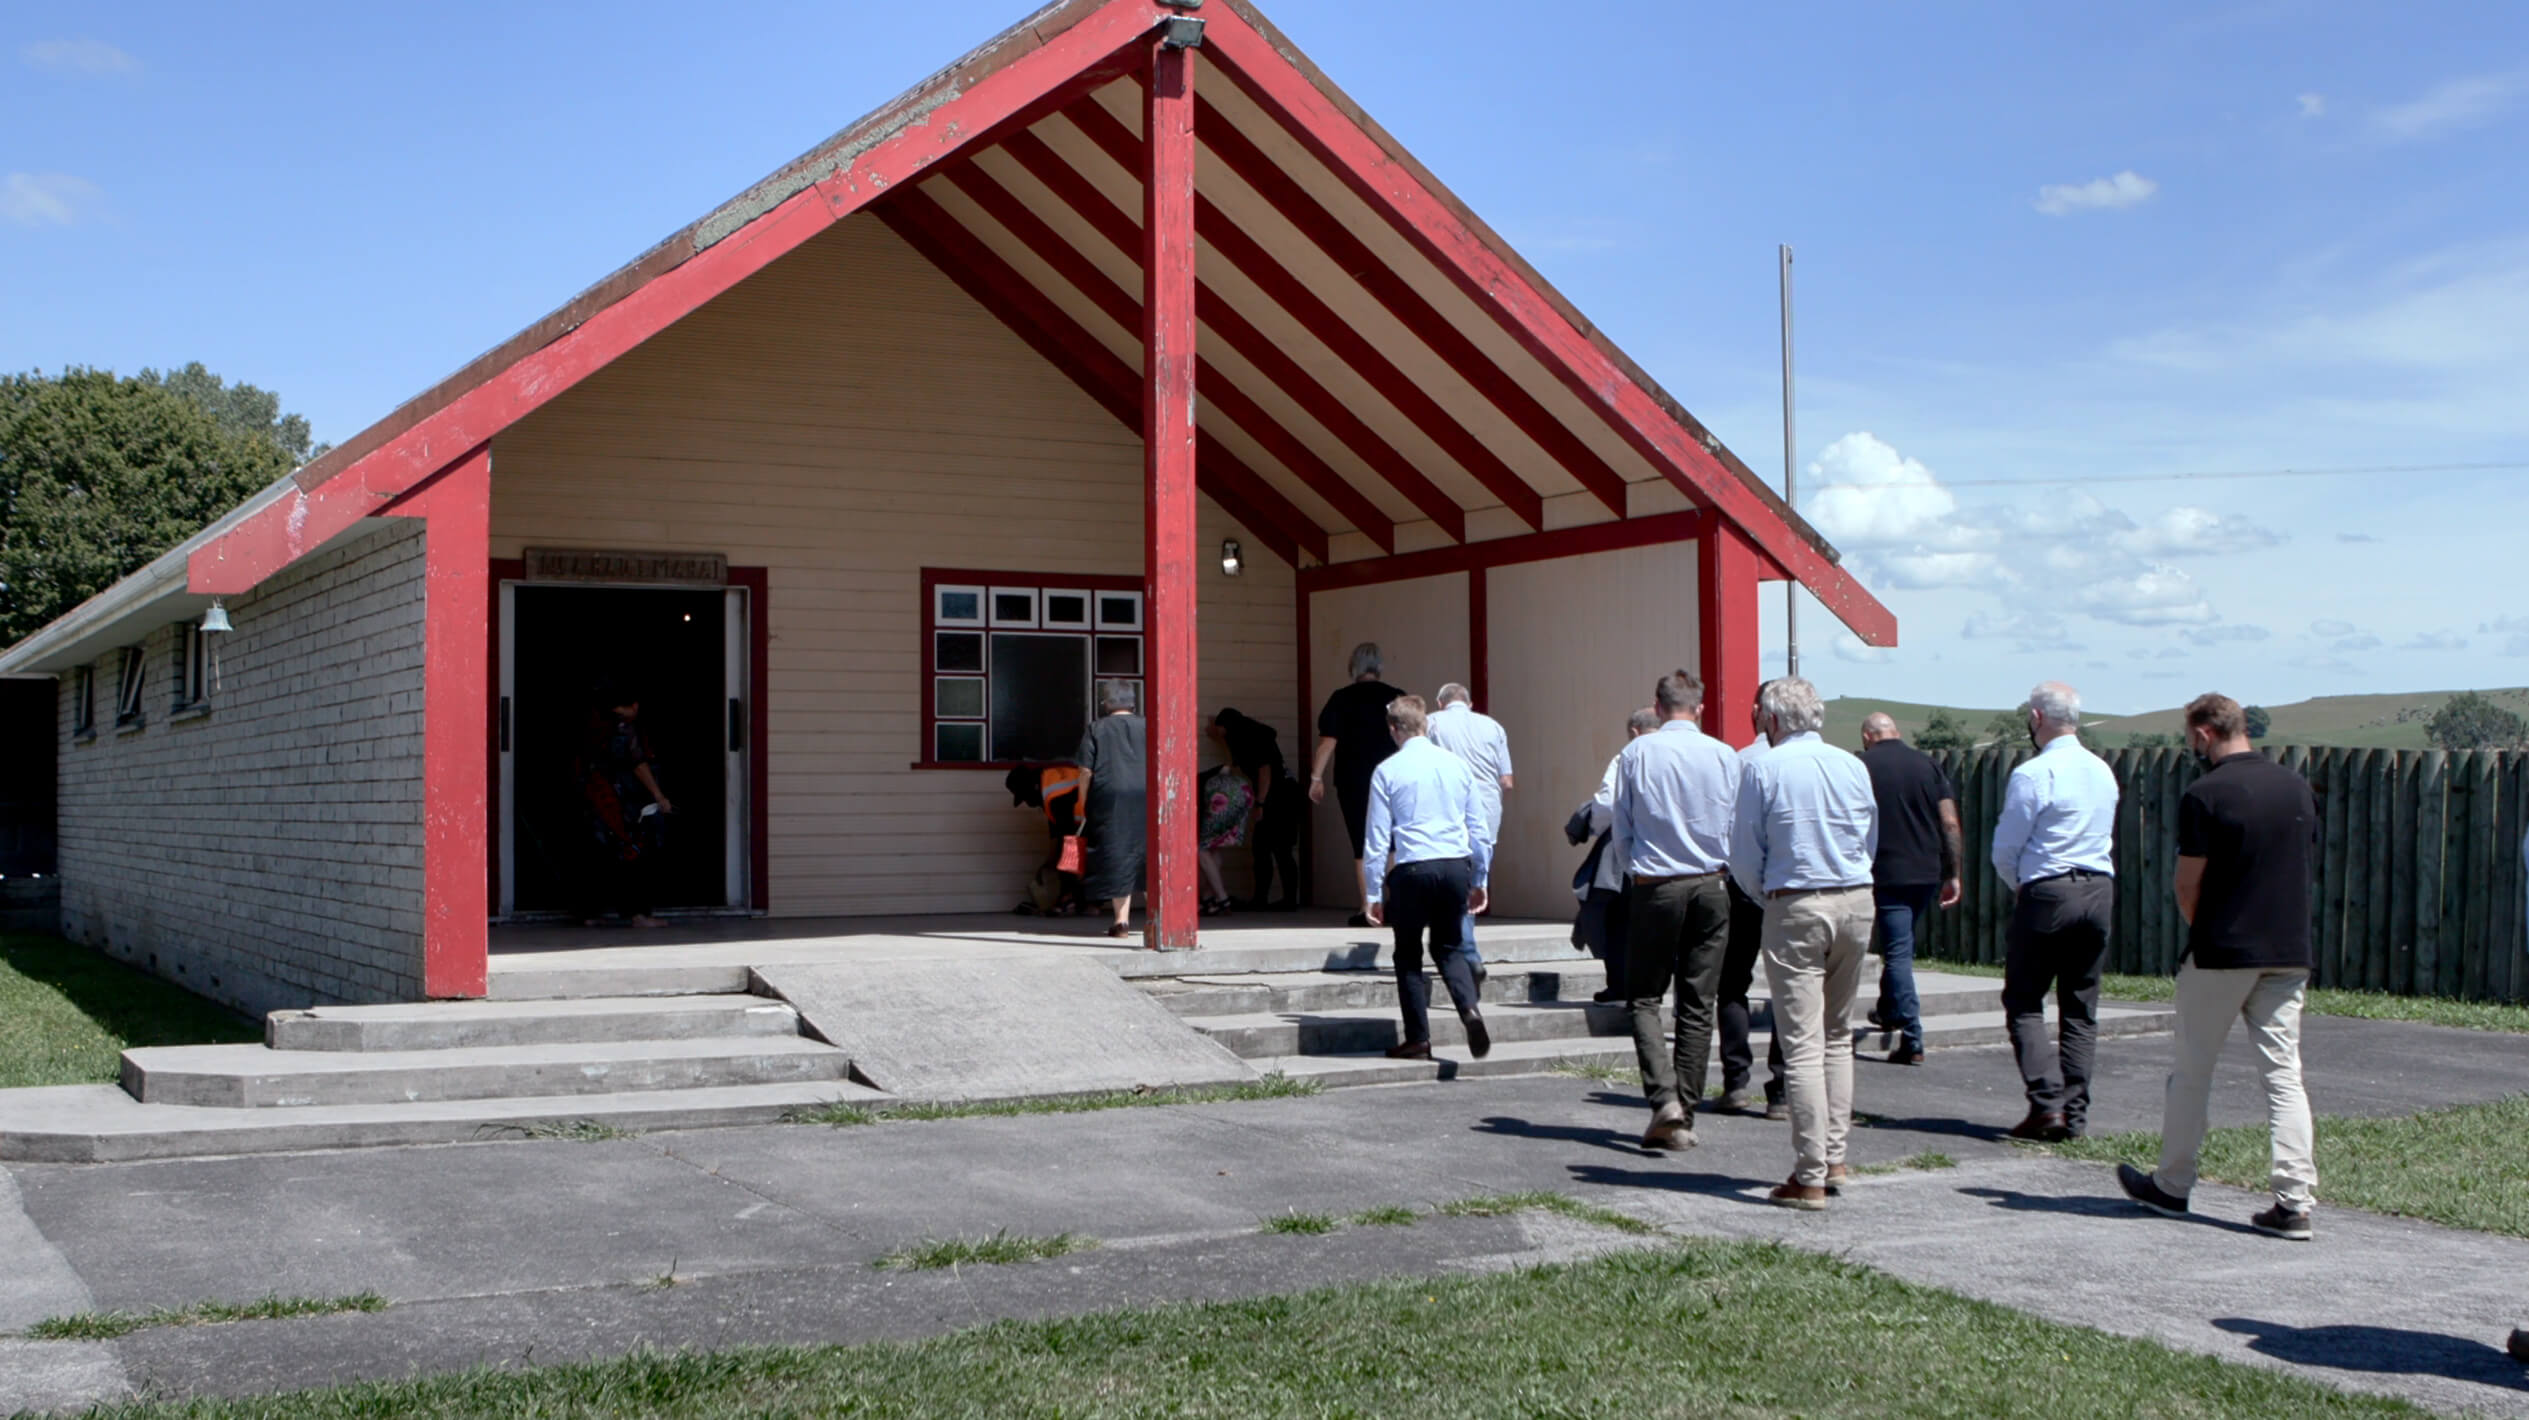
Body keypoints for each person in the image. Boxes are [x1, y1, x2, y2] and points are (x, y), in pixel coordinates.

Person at [2118, 693, 2320, 1241]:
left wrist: (2202, 928)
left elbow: (2189, 884)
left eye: (2191, 739)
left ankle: (2173, 1184)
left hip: (2223, 950)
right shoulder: (2295, 787)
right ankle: (2294, 1200)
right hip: (2288, 949)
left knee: (2192, 1071)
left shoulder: (2205, 794)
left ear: (2205, 733)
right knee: (2283, 1076)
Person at [1731, 677, 1878, 1210]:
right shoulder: (1851, 765)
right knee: (1838, 1034)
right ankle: (1834, 1157)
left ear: (1771, 721)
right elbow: (1869, 836)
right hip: (1856, 898)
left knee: (1802, 1043)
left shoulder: (1762, 767)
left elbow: (1744, 853)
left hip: (1796, 900)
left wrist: (1766, 893)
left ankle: (1810, 1172)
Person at [1609, 670, 1742, 1151]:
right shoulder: (1725, 755)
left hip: (1657, 881)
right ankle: (1683, 1109)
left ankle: (1664, 1098)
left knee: (1644, 996)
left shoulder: (1637, 753)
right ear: (1700, 708)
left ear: (1658, 706)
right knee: (1697, 1002)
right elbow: (1734, 823)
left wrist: (1635, 873)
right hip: (1711, 881)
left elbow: (1621, 827)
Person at [1990, 681, 2120, 1141]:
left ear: (2036, 717)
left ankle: (2046, 1102)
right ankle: (2076, 1112)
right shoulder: (2102, 770)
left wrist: (2023, 887)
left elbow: (2006, 849)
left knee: (2025, 999)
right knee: (2080, 1006)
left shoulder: (2034, 773)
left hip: (2049, 888)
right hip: (2098, 887)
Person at [1362, 695, 1492, 1061]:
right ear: (1427, 725)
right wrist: (1480, 877)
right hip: (1454, 865)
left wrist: (1372, 890)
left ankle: (1418, 1038)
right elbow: (1478, 829)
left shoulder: (1388, 770)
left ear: (1393, 729)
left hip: (1413, 868)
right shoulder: (1457, 766)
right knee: (1449, 946)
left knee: (1408, 955)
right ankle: (1468, 1007)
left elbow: (1376, 837)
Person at [1859, 712, 1963, 1066]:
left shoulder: (1861, 765)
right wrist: (1953, 873)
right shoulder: (1927, 765)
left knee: (1898, 952)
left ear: (1866, 736)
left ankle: (1913, 1037)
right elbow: (1949, 822)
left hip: (1886, 871)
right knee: (1898, 945)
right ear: (1897, 732)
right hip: (1926, 871)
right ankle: (1889, 1010)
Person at [1717, 685, 1788, 1117]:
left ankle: (1736, 1081)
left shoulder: (1743, 760)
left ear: (1759, 714)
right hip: (1789, 887)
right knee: (1787, 987)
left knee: (1732, 983)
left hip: (1745, 887)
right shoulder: (1827, 762)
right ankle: (1780, 1090)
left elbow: (1731, 828)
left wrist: (1745, 884)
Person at [1311, 643, 1407, 927]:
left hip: (1354, 778)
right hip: (1393, 777)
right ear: (1379, 666)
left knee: (1361, 841)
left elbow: (1328, 742)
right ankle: (1393, 904)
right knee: (1392, 841)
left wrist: (1316, 778)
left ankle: (1368, 907)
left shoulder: (1341, 698)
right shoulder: (1396, 697)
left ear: (1353, 666)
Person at [1573, 707, 1660, 1002]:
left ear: (1634, 731)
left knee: (1618, 920)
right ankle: (1650, 987)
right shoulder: (1677, 755)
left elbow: (1607, 804)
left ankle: (1620, 984)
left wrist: (1595, 828)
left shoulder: (1627, 756)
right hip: (1671, 856)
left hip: (1630, 853)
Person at [1427, 682, 1513, 973]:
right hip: (1487, 811)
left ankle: (1467, 953)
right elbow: (1507, 781)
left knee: (1454, 884)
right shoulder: (1493, 727)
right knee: (1474, 883)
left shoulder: (1433, 723)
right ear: (1470, 703)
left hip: (1450, 811)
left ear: (1440, 703)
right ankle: (1464, 950)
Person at [576, 680, 673, 928]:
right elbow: (637, 763)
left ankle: (590, 913)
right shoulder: (625, 728)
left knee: (598, 854)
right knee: (634, 852)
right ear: (634, 705)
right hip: (622, 802)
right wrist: (659, 795)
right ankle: (638, 914)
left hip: (595, 798)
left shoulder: (593, 724)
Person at [1075, 681, 1148, 941]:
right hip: (1147, 795)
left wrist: (1083, 802)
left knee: (1118, 852)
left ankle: (1121, 921)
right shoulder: (1148, 727)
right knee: (1148, 852)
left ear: (1105, 703)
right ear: (1133, 702)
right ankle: (1157, 918)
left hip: (1110, 796)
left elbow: (1085, 770)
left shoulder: (1097, 728)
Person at [1211, 708, 1299, 911]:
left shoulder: (1254, 738)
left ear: (1229, 727)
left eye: (1221, 729)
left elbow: (1264, 771)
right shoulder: (1250, 734)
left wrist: (1260, 804)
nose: (1220, 733)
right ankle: (1266, 899)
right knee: (1263, 849)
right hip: (1281, 795)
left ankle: (1284, 900)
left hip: (1279, 797)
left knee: (1278, 849)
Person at [1197, 759, 1254, 916]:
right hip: (1241, 793)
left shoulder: (1191, 786)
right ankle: (1208, 899)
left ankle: (1221, 899)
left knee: (1201, 850)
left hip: (1219, 797)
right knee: (1212, 849)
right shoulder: (1206, 776)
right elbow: (1226, 767)